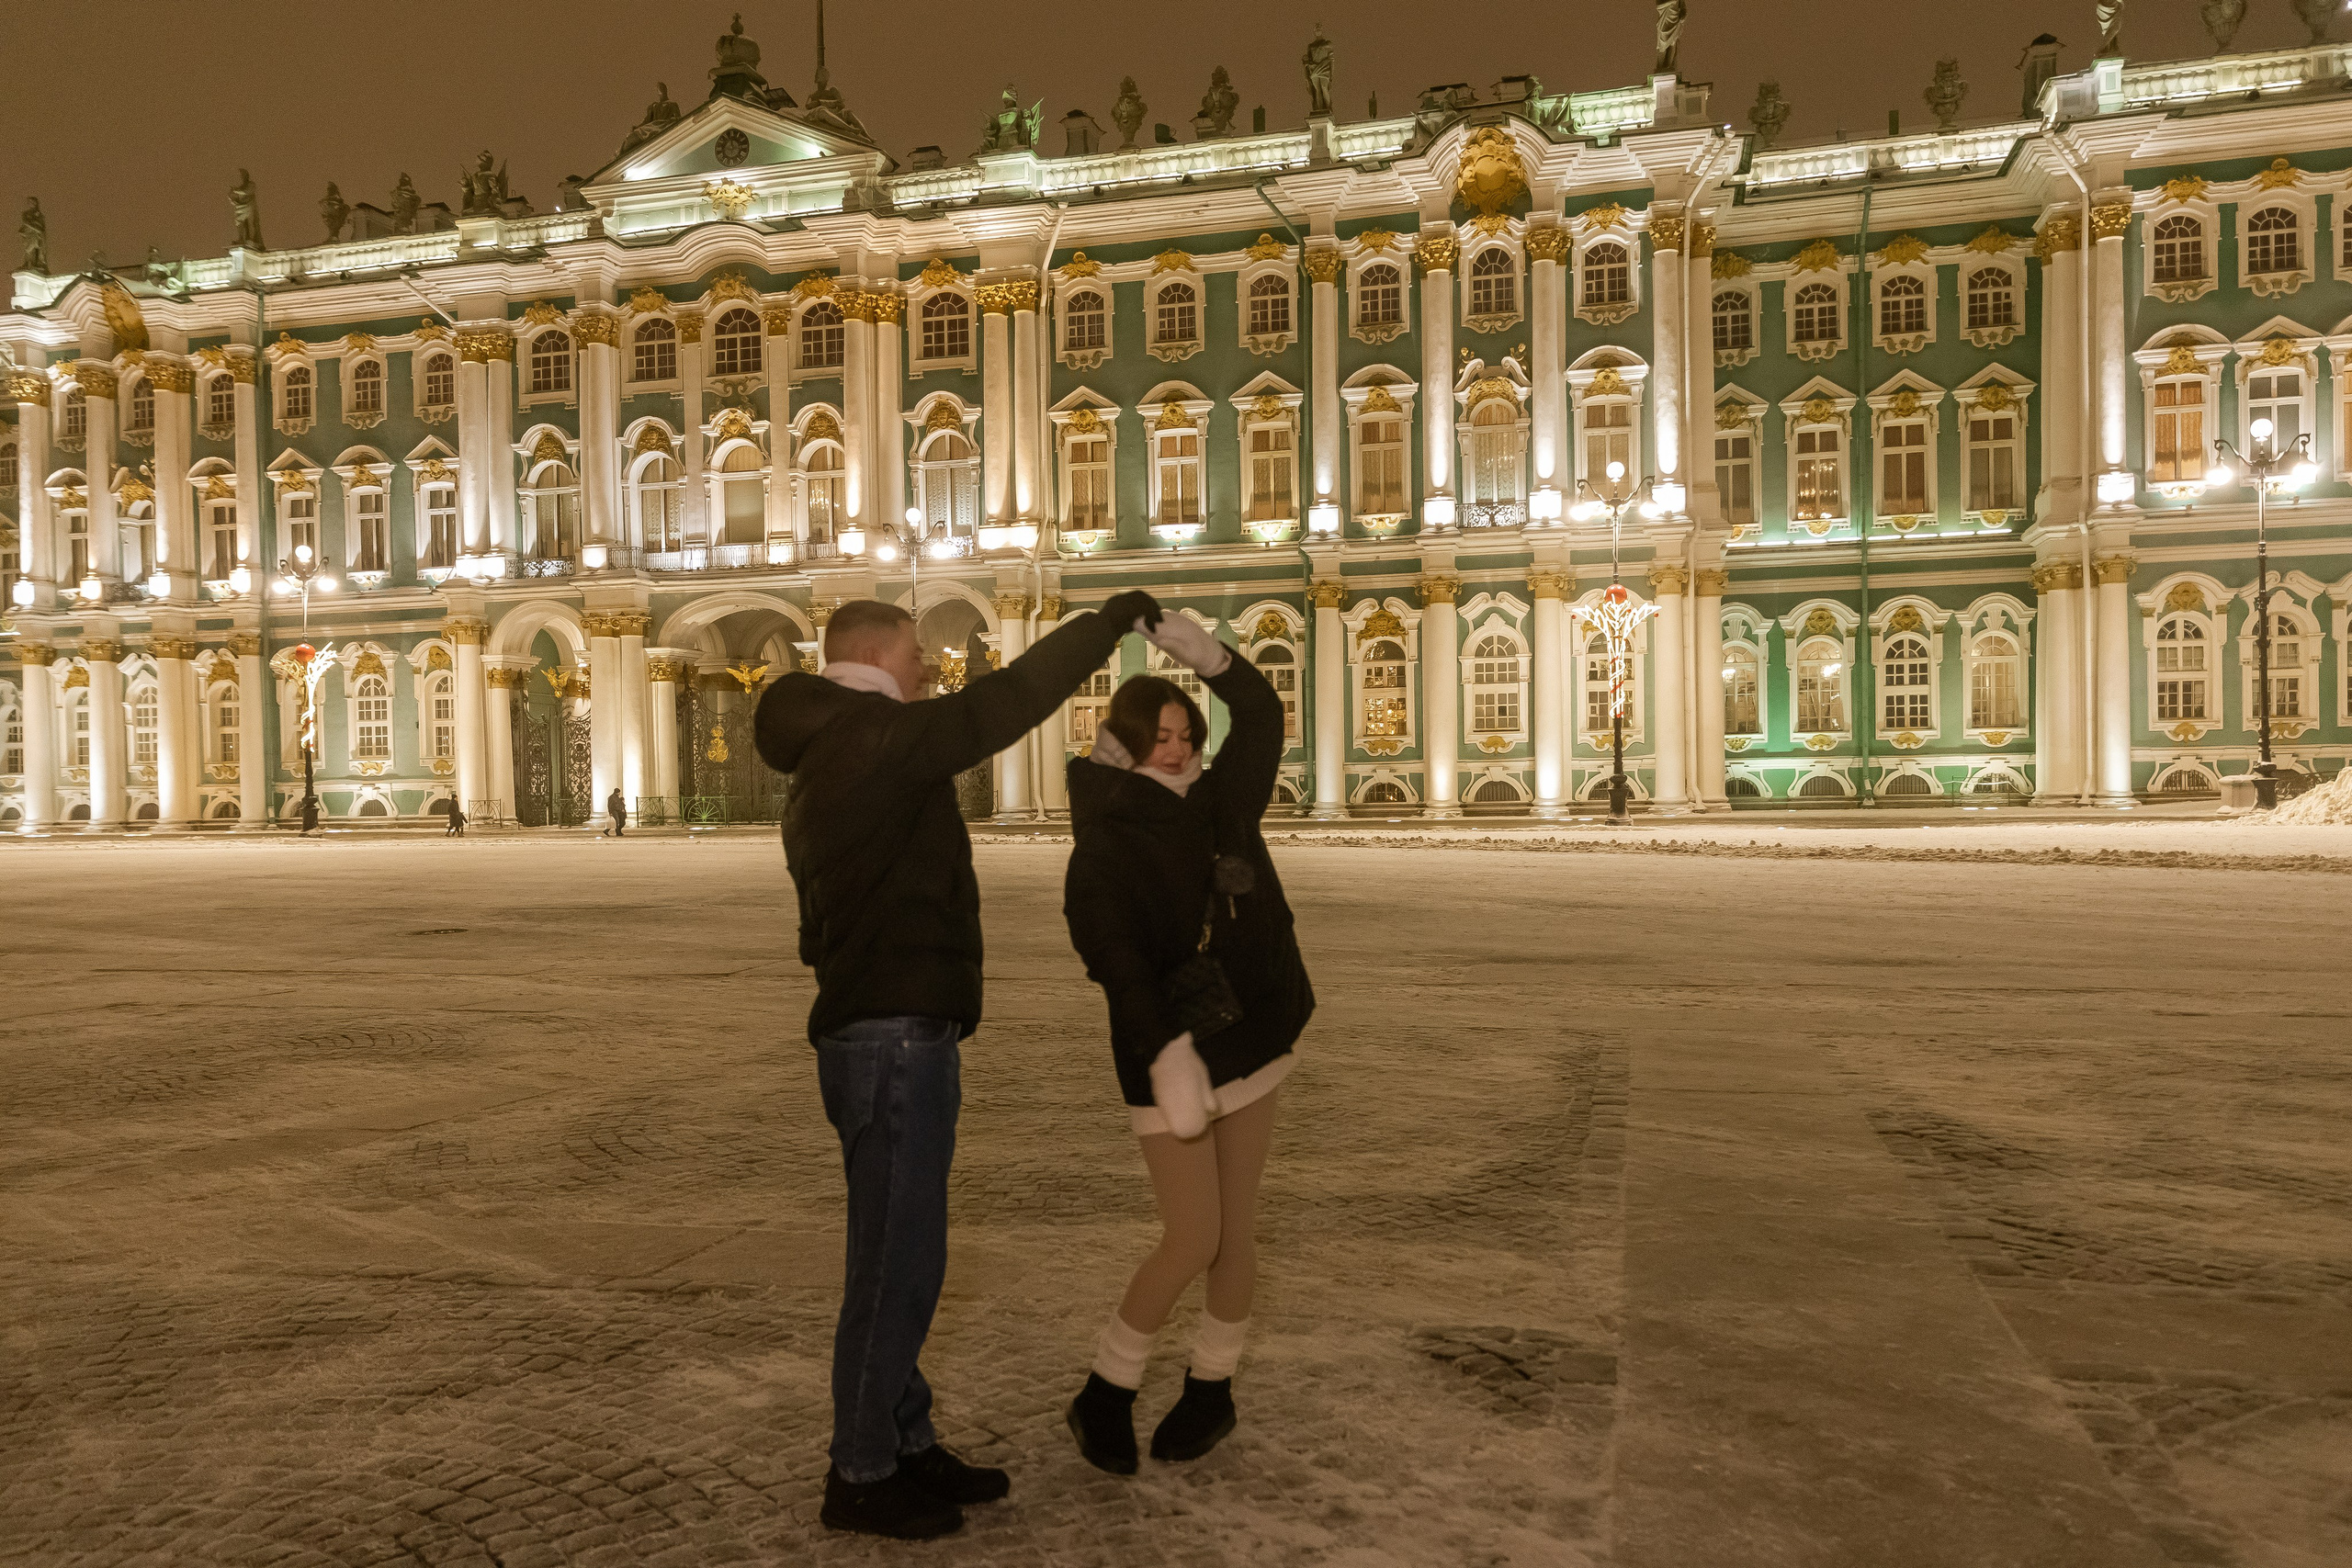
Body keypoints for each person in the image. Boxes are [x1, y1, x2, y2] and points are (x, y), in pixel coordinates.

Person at [753, 588, 1163, 1541]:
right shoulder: (873, 742)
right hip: (891, 1038)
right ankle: (860, 1470)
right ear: (871, 658)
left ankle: (901, 1437)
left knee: (897, 1254)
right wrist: (1105, 626)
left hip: (882, 1029)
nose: (929, 671)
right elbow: (1007, 700)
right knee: (898, 1265)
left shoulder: (839, 751)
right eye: (916, 658)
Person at [1059, 613, 1314, 1473]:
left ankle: (1212, 1388)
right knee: (1191, 1235)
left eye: (1183, 733)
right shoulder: (1104, 837)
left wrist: (1206, 655)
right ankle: (1105, 1390)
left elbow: (1266, 715)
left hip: (1251, 1035)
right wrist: (1165, 1051)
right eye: (1156, 736)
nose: (1174, 749)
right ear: (1122, 744)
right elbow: (1114, 958)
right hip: (1164, 1053)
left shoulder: (1221, 798)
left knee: (1235, 1233)